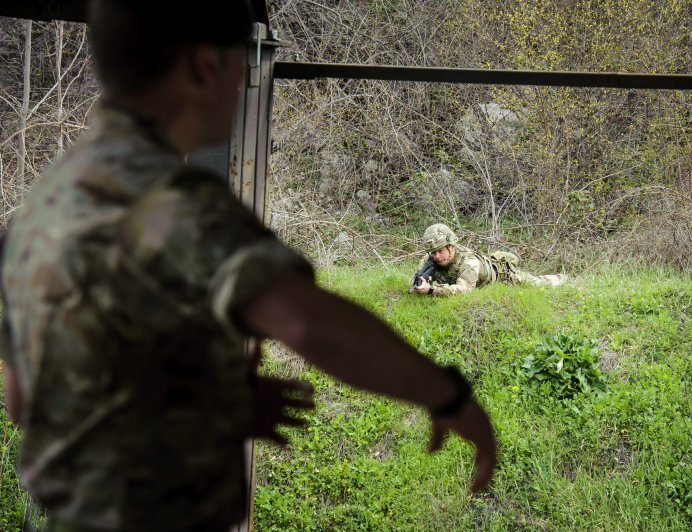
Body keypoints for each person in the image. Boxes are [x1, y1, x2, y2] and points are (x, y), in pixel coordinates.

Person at [0, 2, 496, 530]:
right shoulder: (180, 207)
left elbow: (27, 401)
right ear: (203, 67)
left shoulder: (41, 210)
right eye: (240, 61)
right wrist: (446, 395)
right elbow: (312, 325)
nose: (242, 81)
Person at [411, 223, 565, 296]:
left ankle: (564, 279)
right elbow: (415, 281)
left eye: (440, 251)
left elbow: (464, 290)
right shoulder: (429, 259)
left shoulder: (469, 262)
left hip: (503, 277)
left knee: (536, 283)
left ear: (452, 247)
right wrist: (421, 284)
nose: (436, 256)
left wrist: (432, 290)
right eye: (433, 252)